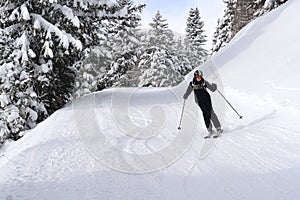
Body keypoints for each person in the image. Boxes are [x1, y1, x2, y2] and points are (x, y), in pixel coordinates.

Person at [183, 69, 223, 138]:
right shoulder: (192, 83)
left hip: (207, 99)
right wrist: (186, 95)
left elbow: (212, 89)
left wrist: (214, 86)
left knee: (210, 112)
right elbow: (188, 91)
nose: (199, 78)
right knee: (205, 113)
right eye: (198, 77)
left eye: (200, 77)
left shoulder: (204, 82)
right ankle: (209, 129)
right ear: (195, 77)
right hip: (199, 101)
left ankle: (218, 127)